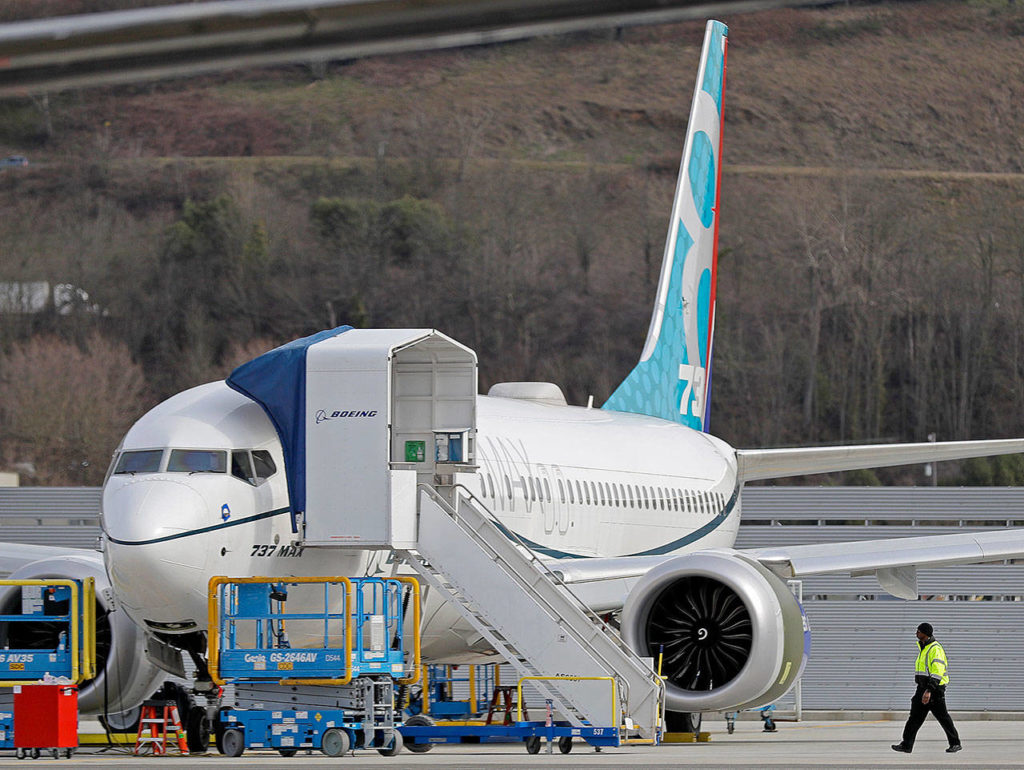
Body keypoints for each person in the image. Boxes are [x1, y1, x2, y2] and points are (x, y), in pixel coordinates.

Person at [891, 622, 962, 754]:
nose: (916, 633)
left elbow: (937, 672)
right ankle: (906, 745)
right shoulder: (924, 648)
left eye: (918, 631)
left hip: (934, 689)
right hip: (922, 688)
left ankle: (955, 743)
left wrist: (929, 690)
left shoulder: (935, 649)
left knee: (943, 718)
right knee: (914, 718)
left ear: (925, 633)